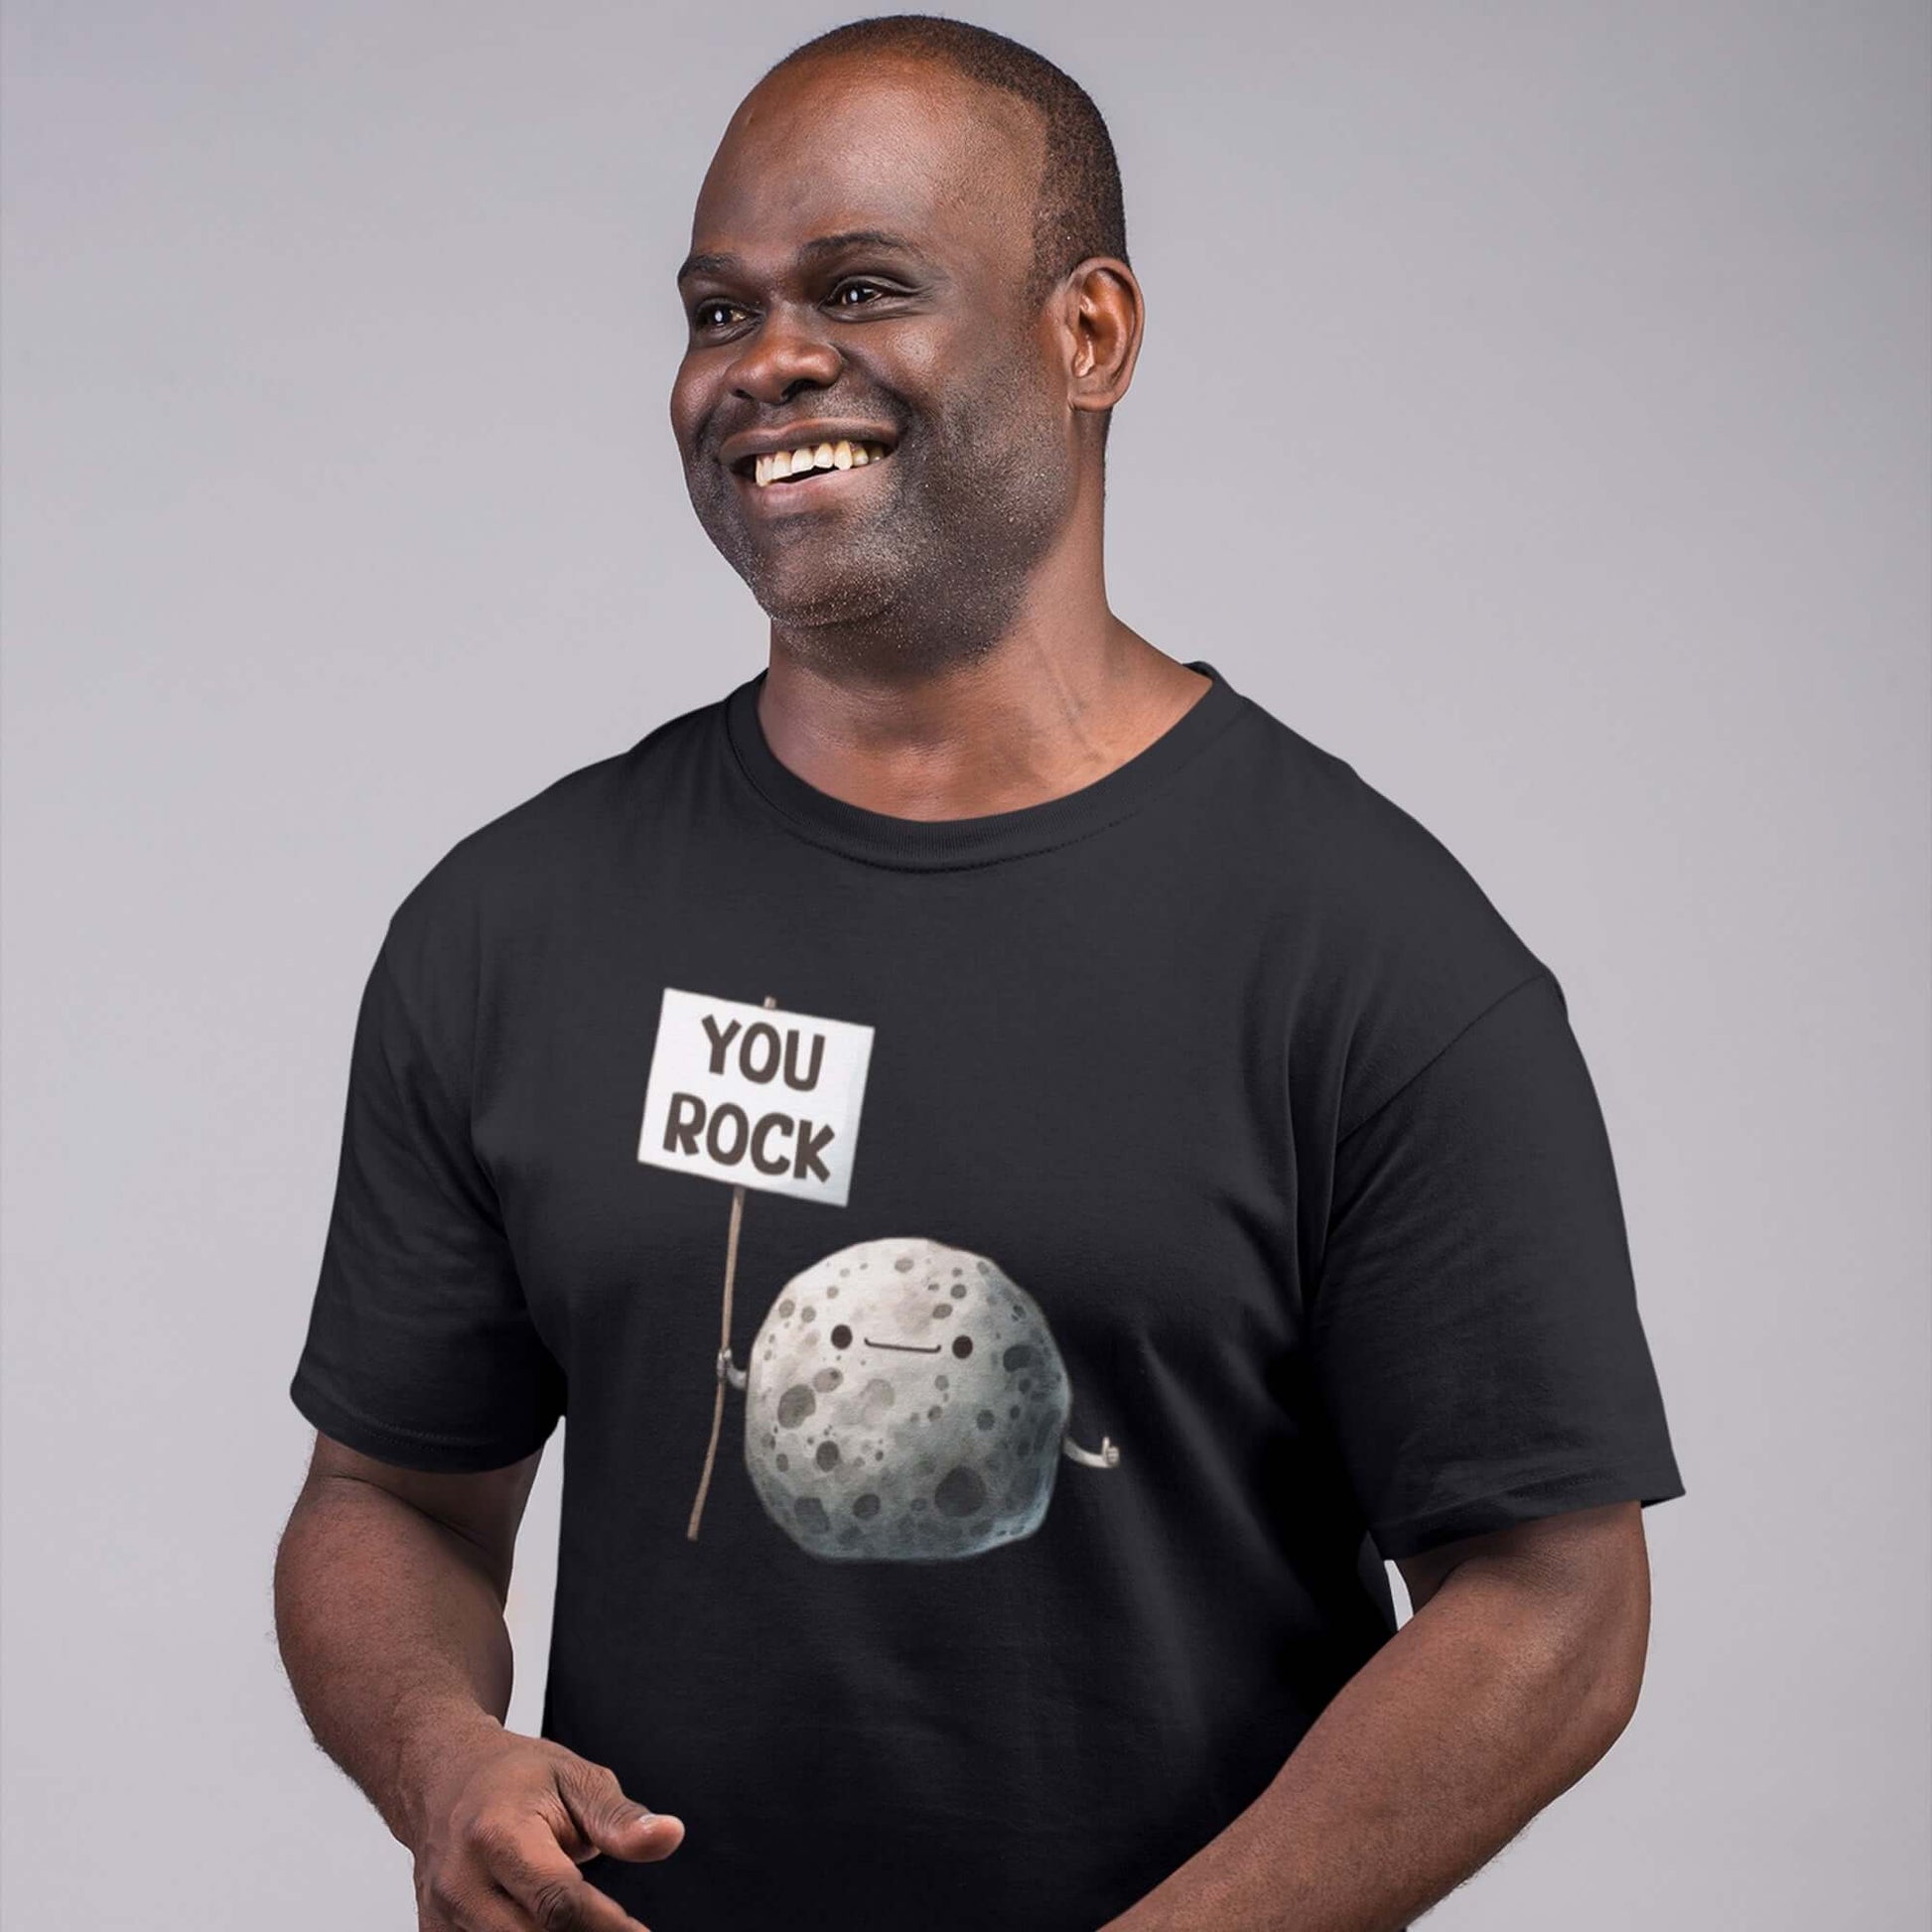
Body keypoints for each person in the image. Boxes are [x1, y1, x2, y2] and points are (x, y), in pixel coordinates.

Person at [274, 15, 1686, 1932]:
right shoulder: (513, 923)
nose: (767, 363)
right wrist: (441, 1755)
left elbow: (1557, 1601)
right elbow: (391, 1500)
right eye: (716, 309)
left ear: (1086, 333)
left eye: (862, 287)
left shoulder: (1369, 953)